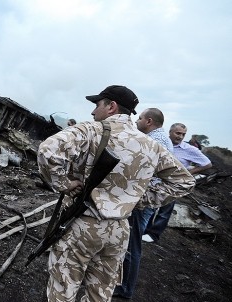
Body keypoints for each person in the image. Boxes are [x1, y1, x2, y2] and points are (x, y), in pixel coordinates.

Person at [38, 85, 195, 302]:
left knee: (63, 290)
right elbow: (184, 182)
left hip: (84, 222)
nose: (93, 112)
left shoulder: (92, 130)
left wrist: (64, 183)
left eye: (97, 105)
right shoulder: (152, 146)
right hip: (120, 230)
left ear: (111, 106)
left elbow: (48, 150)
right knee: (100, 294)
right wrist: (138, 200)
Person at [113, 108, 174, 299]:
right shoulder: (162, 139)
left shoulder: (155, 141)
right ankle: (121, 283)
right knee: (130, 242)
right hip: (146, 199)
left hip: (143, 201)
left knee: (132, 245)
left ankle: (125, 289)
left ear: (149, 121)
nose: (137, 121)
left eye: (139, 118)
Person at [142, 123, 212, 243]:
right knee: (149, 207)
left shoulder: (189, 149)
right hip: (155, 181)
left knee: (165, 210)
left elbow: (207, 164)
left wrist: (189, 173)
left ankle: (153, 235)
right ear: (170, 132)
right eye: (178, 133)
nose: (180, 136)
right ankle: (143, 230)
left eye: (183, 134)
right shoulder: (162, 143)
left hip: (173, 185)